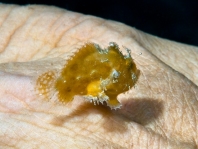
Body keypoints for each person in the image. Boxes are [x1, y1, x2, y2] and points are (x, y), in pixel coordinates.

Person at [0, 4, 197, 148]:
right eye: (129, 69)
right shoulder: (109, 77)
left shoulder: (113, 74)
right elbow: (96, 89)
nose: (134, 74)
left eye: (130, 67)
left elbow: (102, 88)